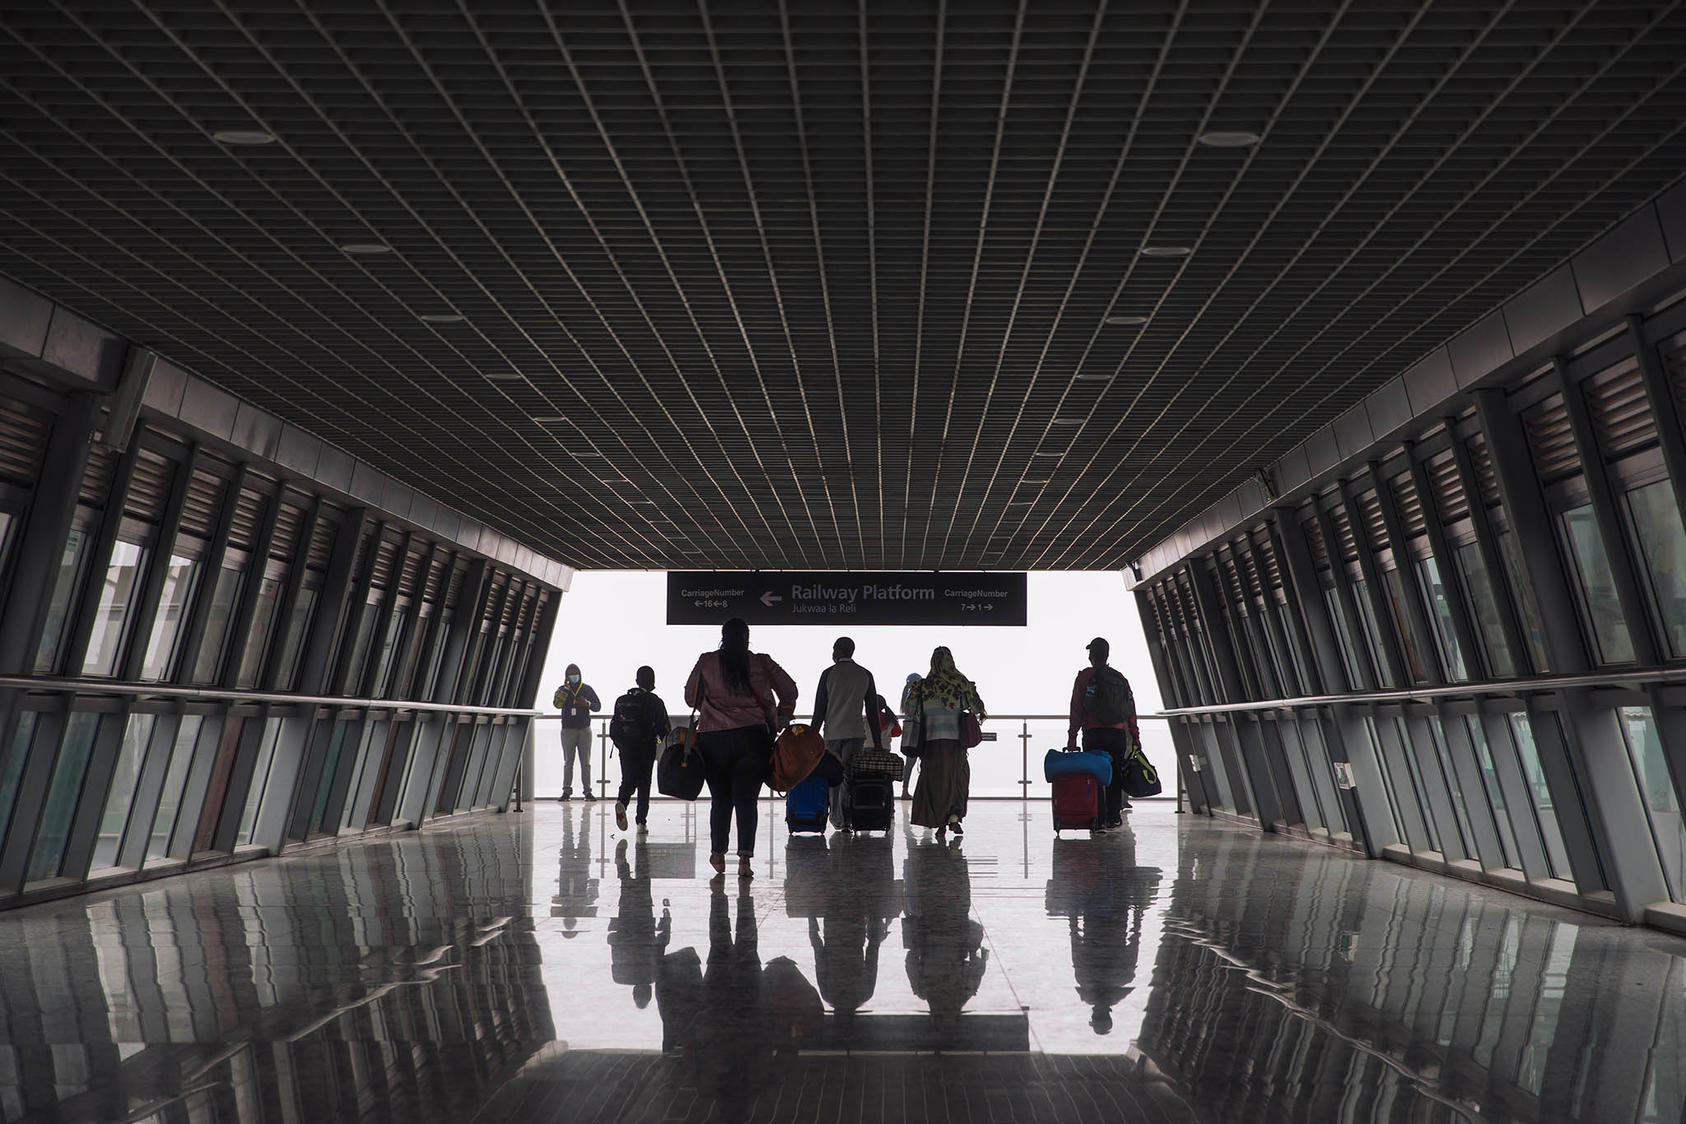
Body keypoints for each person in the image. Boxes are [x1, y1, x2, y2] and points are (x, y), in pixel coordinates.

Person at [685, 618, 798, 880]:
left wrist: (713, 710)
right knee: (746, 800)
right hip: (753, 738)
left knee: (721, 799)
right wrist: (781, 715)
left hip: (713, 739)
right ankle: (745, 860)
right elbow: (790, 690)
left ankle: (718, 854)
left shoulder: (707, 661)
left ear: (722, 636)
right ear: (747, 637)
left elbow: (691, 696)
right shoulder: (761, 662)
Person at [906, 648, 985, 841]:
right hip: (956, 743)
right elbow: (977, 708)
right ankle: (954, 816)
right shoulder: (961, 684)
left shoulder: (922, 686)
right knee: (957, 778)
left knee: (935, 782)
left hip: (930, 743)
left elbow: (909, 710)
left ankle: (940, 822)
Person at [810, 636, 887, 832]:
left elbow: (819, 710)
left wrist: (810, 737)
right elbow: (872, 711)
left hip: (833, 734)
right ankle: (849, 816)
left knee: (833, 776)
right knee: (849, 776)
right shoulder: (865, 674)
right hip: (855, 734)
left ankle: (838, 818)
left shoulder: (828, 674)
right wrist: (877, 742)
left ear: (838, 650)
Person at [1065, 637, 1141, 833]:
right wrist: (1135, 736)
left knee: (1094, 776)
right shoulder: (1120, 678)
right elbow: (1130, 709)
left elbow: (1076, 709)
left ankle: (1097, 819)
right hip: (1117, 734)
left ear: (1091, 656)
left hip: (1093, 733)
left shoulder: (1084, 677)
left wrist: (1072, 737)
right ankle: (1113, 818)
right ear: (1107, 656)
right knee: (1115, 774)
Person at [610, 665, 671, 833]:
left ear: (637, 681)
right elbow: (664, 727)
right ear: (652, 682)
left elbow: (614, 726)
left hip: (625, 747)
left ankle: (622, 802)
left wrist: (621, 744)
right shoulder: (654, 701)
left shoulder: (622, 700)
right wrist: (662, 741)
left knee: (628, 778)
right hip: (646, 747)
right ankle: (641, 821)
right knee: (644, 782)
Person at [554, 663, 601, 801]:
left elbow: (598, 706)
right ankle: (566, 791)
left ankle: (587, 791)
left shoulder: (587, 689)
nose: (574, 676)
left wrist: (588, 704)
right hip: (568, 730)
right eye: (571, 674)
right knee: (568, 762)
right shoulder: (562, 690)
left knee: (585, 762)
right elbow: (557, 704)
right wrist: (565, 690)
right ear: (566, 676)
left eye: (576, 674)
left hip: (584, 730)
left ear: (580, 675)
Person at [899, 673, 922, 799]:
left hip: (910, 733)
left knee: (909, 764)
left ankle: (904, 790)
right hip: (920, 731)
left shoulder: (907, 696)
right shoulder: (917, 696)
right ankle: (920, 791)